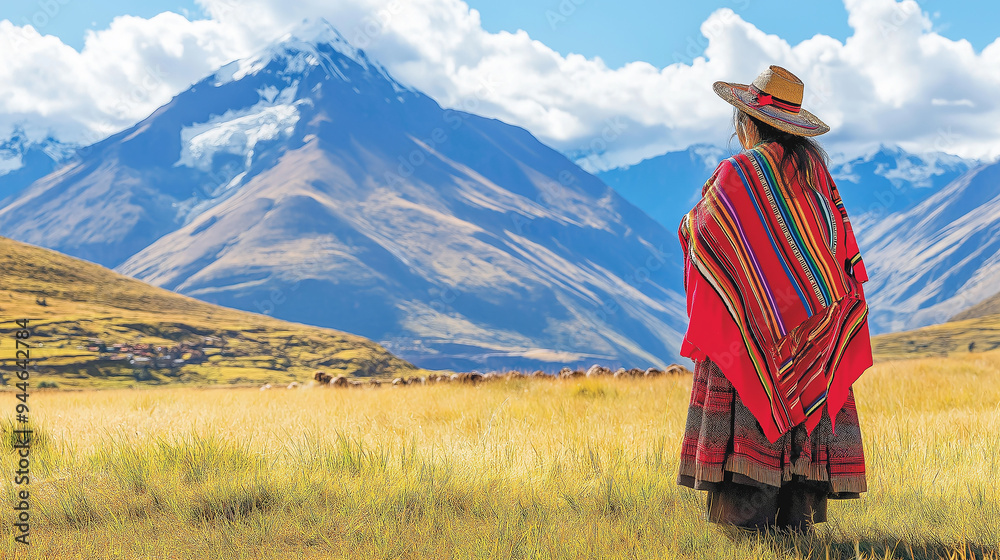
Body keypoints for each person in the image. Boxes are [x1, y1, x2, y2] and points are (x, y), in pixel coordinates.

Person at [675, 65, 874, 536]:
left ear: (749, 123)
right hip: (816, 329)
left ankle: (749, 527)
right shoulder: (818, 176)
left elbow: (705, 235)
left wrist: (692, 225)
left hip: (755, 325)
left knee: (755, 391)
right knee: (804, 405)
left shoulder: (738, 173)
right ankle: (795, 521)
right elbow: (839, 249)